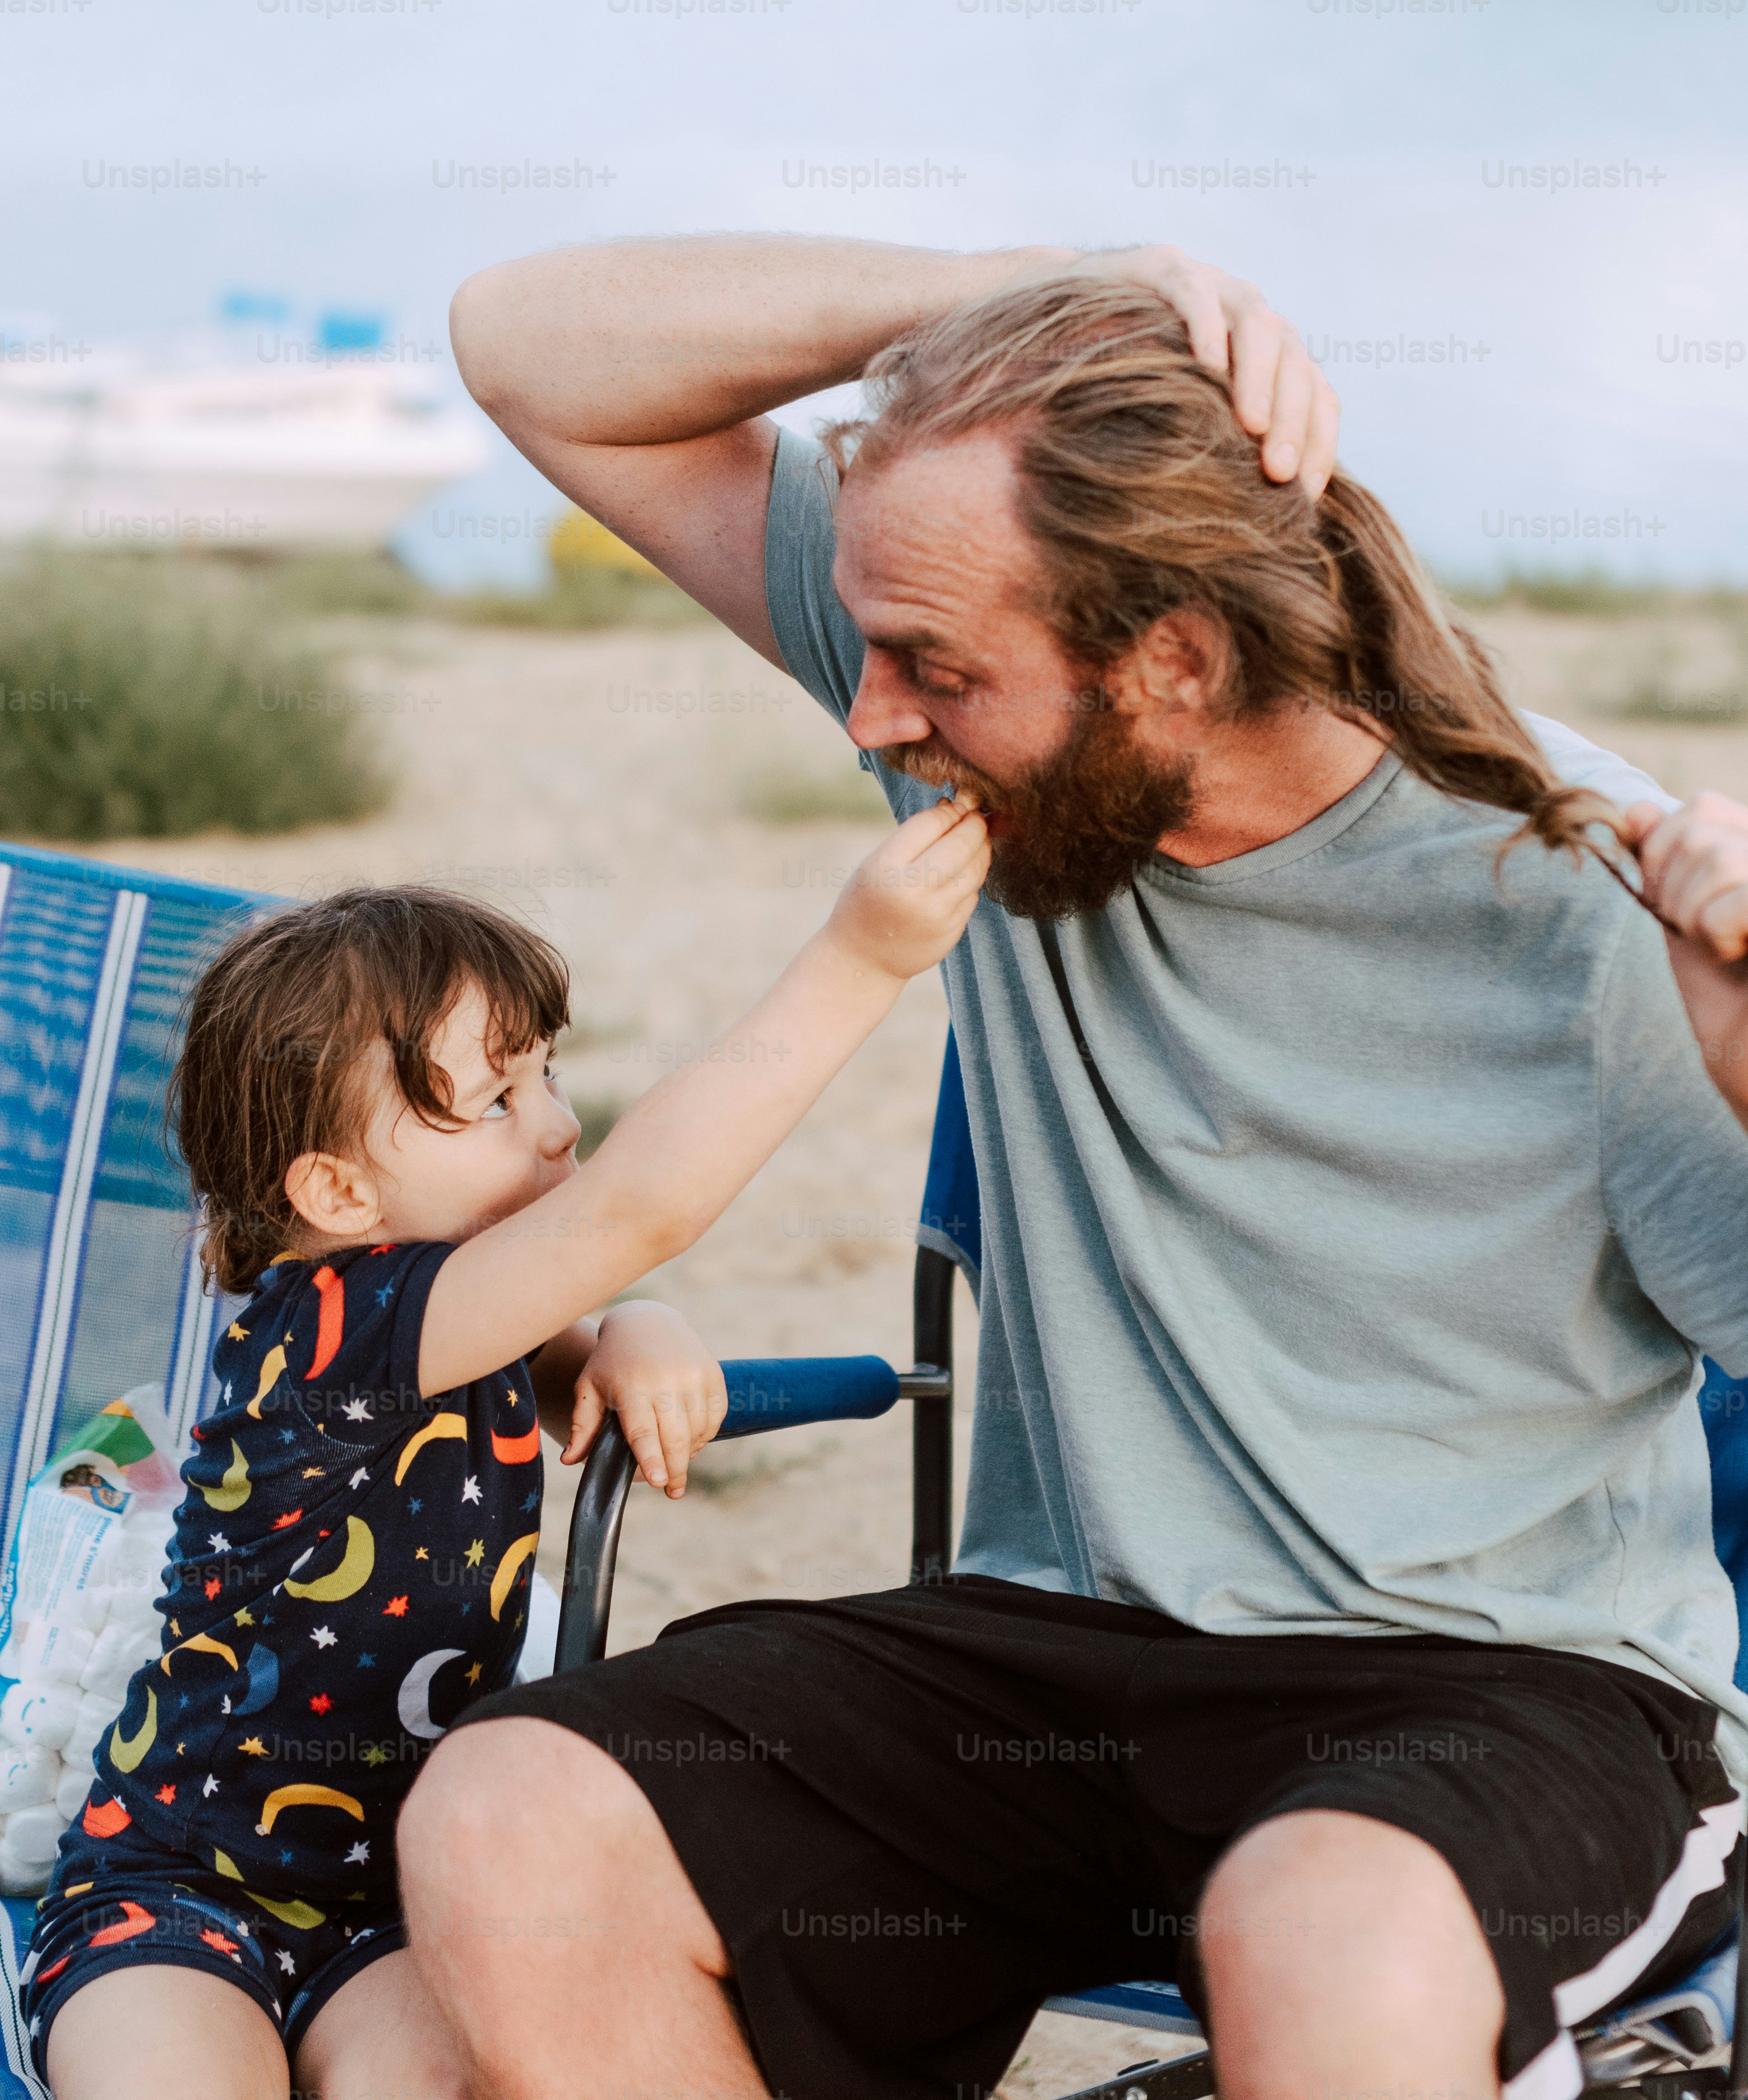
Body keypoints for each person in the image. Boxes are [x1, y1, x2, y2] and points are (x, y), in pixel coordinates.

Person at [397, 234, 1748, 2100]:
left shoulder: (1582, 897)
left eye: (930, 667)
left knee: (1314, 1928)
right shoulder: (977, 741)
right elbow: (522, 344)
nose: (868, 711)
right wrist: (1048, 285)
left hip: (1488, 1689)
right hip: (1052, 1657)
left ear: (1172, 661)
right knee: (517, 1812)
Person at [24, 809, 989, 2100]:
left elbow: (583, 1311)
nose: (552, 1125)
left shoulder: (456, 1308)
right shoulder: (339, 1327)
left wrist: (634, 1327)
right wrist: (862, 957)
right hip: (179, 1889)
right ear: (339, 1197)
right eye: (493, 1101)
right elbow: (637, 1209)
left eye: (542, 1073)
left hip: (396, 1907)